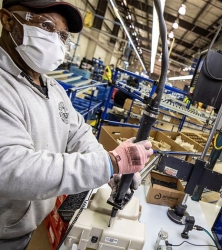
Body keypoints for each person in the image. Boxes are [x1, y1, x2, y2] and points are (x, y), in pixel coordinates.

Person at [0, 1, 153, 249]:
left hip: (21, 229)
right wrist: (109, 163)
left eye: (62, 35)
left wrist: (111, 169)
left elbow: (79, 135)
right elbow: (12, 168)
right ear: (8, 20)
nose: (56, 40)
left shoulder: (53, 88)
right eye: (46, 25)